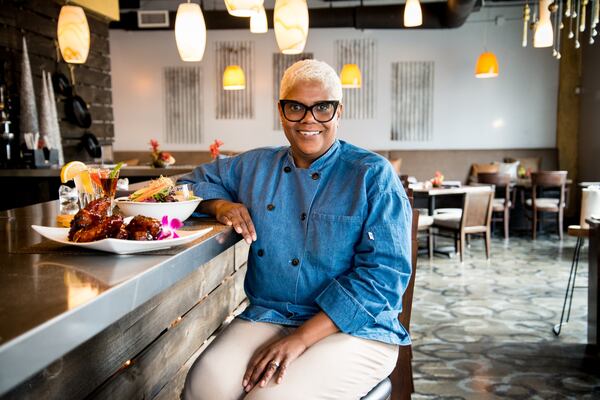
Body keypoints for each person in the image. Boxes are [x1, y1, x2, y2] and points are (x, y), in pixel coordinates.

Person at [180, 59, 412, 400]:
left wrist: (300, 339)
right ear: (281, 111)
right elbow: (186, 185)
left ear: (338, 112)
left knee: (269, 397)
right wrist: (220, 205)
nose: (308, 119)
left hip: (358, 328)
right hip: (270, 315)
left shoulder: (371, 174)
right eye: (296, 108)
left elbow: (384, 277)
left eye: (322, 108)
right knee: (205, 387)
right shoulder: (255, 165)